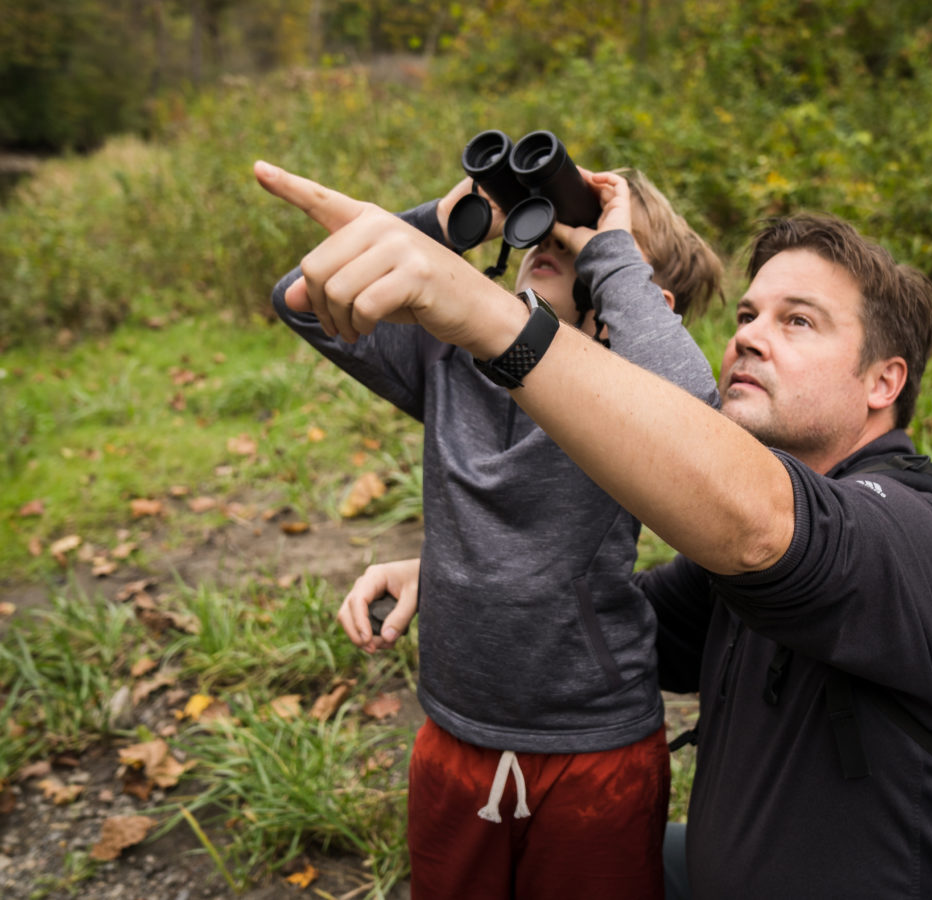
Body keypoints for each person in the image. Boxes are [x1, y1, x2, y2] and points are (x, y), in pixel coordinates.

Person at [253, 162, 932, 898]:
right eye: (747, 313)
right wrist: (452, 571)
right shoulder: (737, 572)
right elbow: (611, 610)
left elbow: (752, 512)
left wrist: (541, 290)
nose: (746, 335)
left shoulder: (913, 531)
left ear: (886, 380)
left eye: (800, 322)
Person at [268, 160, 723, 900]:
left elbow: (695, 415)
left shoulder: (630, 402)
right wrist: (436, 226)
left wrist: (612, 251)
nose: (555, 239)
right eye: (545, 224)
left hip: (593, 744)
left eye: (582, 242)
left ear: (631, 295)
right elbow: (300, 301)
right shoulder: (449, 361)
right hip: (456, 731)